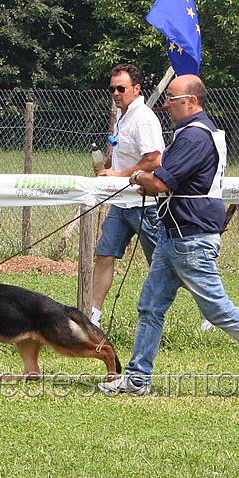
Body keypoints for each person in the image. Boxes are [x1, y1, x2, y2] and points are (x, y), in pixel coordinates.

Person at [99, 74, 239, 396]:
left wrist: (136, 175)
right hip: (173, 238)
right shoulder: (202, 132)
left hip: (191, 240)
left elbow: (161, 182)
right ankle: (137, 379)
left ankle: (136, 378)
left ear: (191, 102)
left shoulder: (193, 137)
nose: (166, 106)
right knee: (150, 306)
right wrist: (144, 176)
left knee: (220, 312)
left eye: (172, 100)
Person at [91, 63, 164, 326]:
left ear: (136, 89)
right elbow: (130, 153)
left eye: (121, 88)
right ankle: (93, 317)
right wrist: (111, 164)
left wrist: (121, 176)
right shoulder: (123, 116)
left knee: (168, 264)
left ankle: (208, 310)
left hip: (146, 204)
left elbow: (154, 159)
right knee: (104, 255)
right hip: (121, 203)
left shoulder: (143, 117)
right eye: (112, 88)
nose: (115, 93)